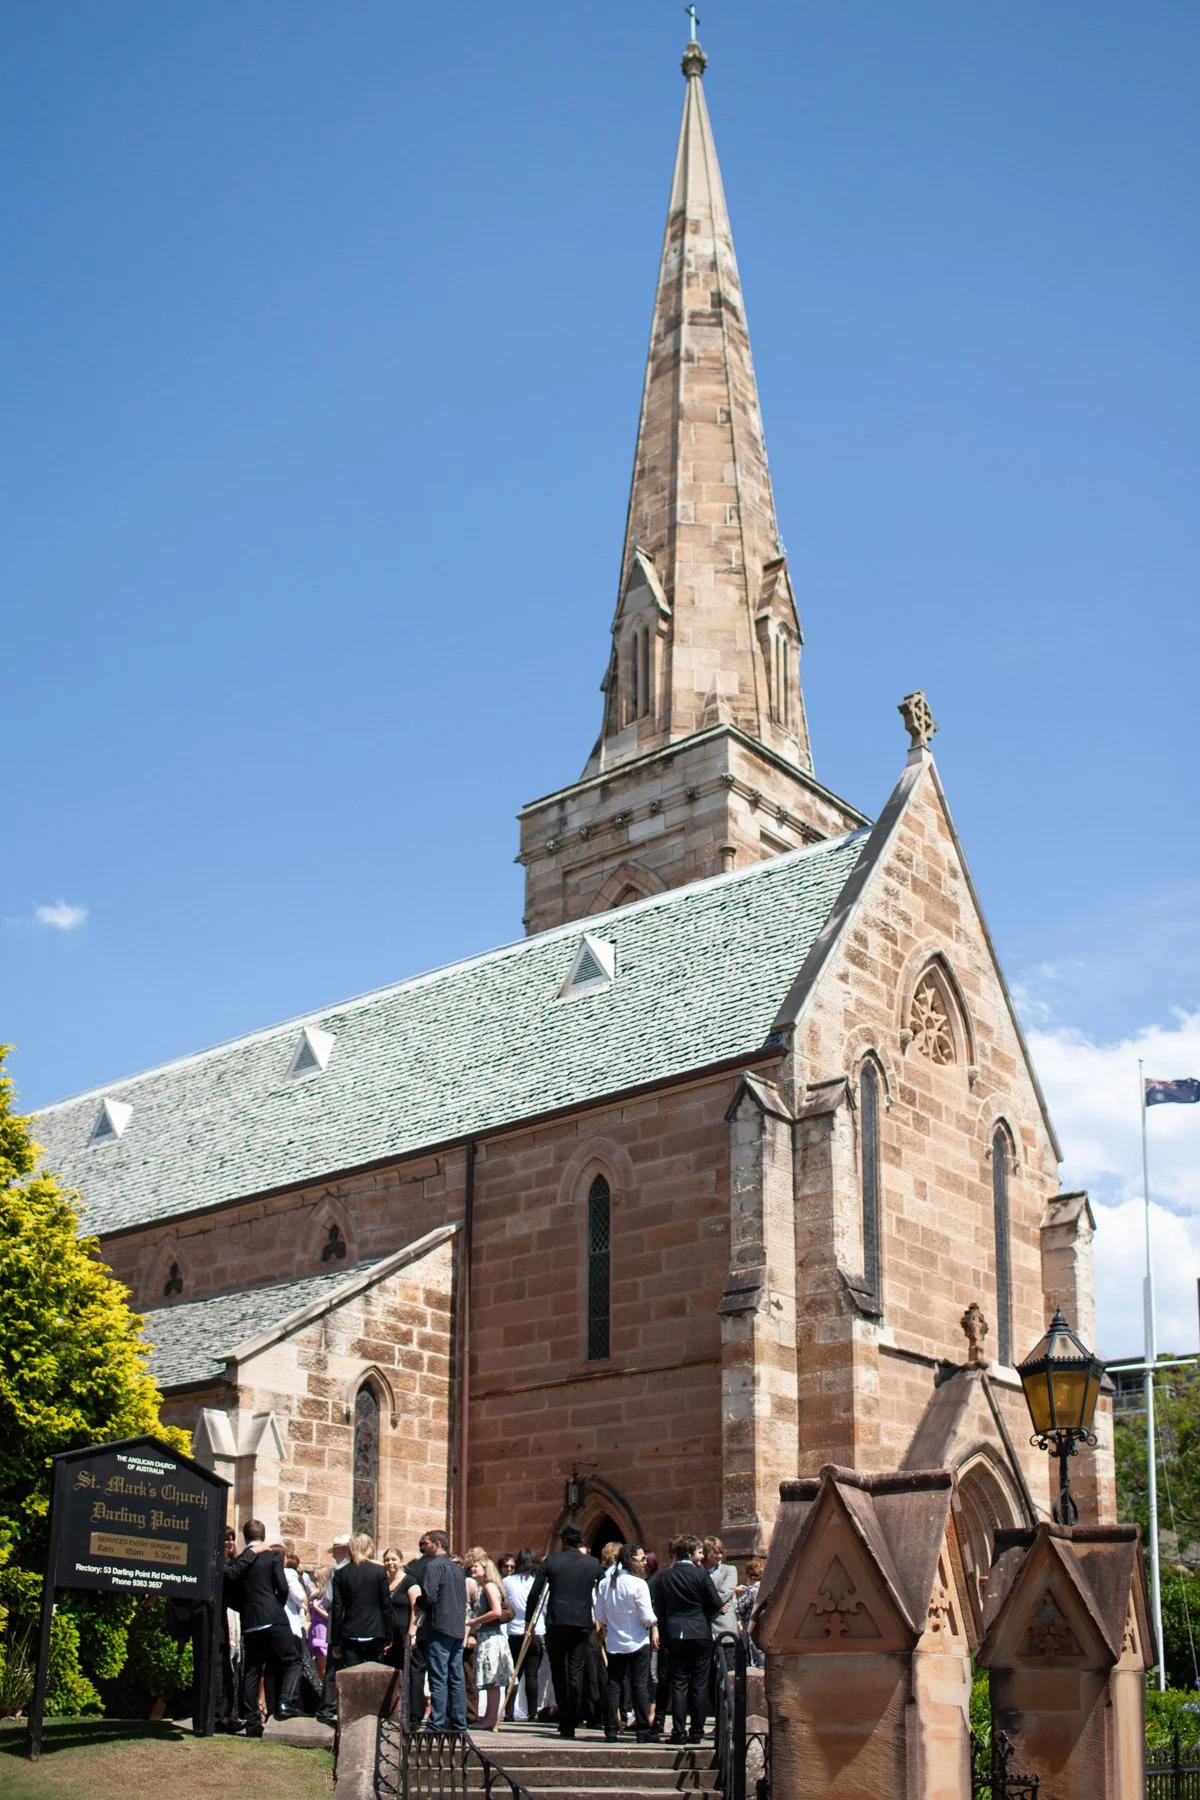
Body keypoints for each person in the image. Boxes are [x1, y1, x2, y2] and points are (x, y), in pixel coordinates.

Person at [526, 1524, 601, 1739]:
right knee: (576, 1671)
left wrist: (529, 1620)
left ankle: (566, 1718)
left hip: (557, 1622)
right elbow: (603, 1589)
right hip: (582, 1623)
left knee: (558, 1670)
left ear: (564, 1541)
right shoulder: (592, 1563)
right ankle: (572, 1717)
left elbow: (535, 1593)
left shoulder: (552, 1560)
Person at [230, 1518, 302, 1734]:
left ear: (245, 1537)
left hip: (251, 1621)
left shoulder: (241, 1559)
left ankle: (252, 1722)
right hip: (273, 1617)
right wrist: (276, 1606)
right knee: (293, 1660)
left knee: (252, 1671)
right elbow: (282, 1587)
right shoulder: (271, 1556)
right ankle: (284, 1701)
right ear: (264, 1535)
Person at [653, 1535, 722, 1745]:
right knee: (699, 1683)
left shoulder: (663, 1577)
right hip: (700, 1632)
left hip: (674, 1633)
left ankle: (678, 1731)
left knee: (679, 1683)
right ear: (691, 1553)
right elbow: (715, 1603)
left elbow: (660, 1610)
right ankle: (697, 1731)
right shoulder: (701, 1575)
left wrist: (663, 1634)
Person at [593, 1544, 657, 1742]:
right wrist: (653, 1624)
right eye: (641, 1559)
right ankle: (643, 1731)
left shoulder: (606, 1583)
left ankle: (611, 1730)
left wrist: (611, 1625)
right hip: (638, 1640)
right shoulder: (639, 1584)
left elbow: (600, 1615)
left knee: (614, 1684)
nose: (644, 1563)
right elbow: (647, 1616)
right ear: (632, 1561)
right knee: (639, 1685)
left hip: (614, 1641)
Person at [409, 1529, 468, 1732]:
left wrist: (417, 1600)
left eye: (425, 1543)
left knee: (439, 1677)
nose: (422, 1547)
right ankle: (459, 1721)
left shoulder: (433, 1567)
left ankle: (436, 1723)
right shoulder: (457, 1569)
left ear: (436, 1544)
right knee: (456, 1676)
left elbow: (429, 1598)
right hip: (457, 1628)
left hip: (440, 1626)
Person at [464, 1548, 514, 1730]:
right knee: (492, 1682)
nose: (472, 1569)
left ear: (485, 1567)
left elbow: (497, 1611)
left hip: (491, 1638)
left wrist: (474, 1621)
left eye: (476, 1566)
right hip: (489, 1637)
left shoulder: (489, 1586)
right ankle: (490, 1717)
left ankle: (490, 1718)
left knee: (493, 1681)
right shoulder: (486, 1586)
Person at [330, 1533, 391, 1671]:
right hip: (375, 1630)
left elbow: (337, 1609)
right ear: (368, 1548)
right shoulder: (379, 1571)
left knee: (352, 1677)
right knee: (376, 1675)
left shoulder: (341, 1574)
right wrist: (389, 1634)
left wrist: (335, 1640)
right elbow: (386, 1604)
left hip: (351, 1631)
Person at [314, 1534, 352, 1726]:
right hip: (352, 1625)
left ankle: (328, 1705)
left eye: (336, 1550)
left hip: (337, 1625)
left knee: (333, 1666)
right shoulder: (356, 1570)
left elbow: (328, 1599)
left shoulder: (338, 1572)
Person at [502, 1548, 544, 1722]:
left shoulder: (507, 1581)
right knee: (532, 1674)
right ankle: (532, 1712)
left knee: (514, 1674)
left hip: (514, 1631)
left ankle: (509, 1711)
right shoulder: (539, 1582)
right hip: (535, 1630)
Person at [702, 1537, 739, 1642]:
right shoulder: (697, 1571)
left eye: (721, 1553)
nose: (719, 1556)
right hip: (702, 1628)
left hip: (724, 1625)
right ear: (706, 1553)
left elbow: (724, 1593)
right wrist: (714, 1607)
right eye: (716, 1553)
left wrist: (705, 1604)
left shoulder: (729, 1570)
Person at [382, 1547, 412, 1669]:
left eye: (394, 1559)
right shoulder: (383, 1582)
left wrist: (411, 1634)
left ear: (401, 1561)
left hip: (403, 1635)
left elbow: (417, 1610)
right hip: (387, 1635)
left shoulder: (409, 1581)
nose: (390, 1562)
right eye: (387, 1560)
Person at [737, 1558, 765, 1669]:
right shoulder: (766, 1588)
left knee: (753, 1657)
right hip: (762, 1626)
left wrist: (735, 1594)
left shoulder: (751, 1589)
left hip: (750, 1626)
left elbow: (740, 1608)